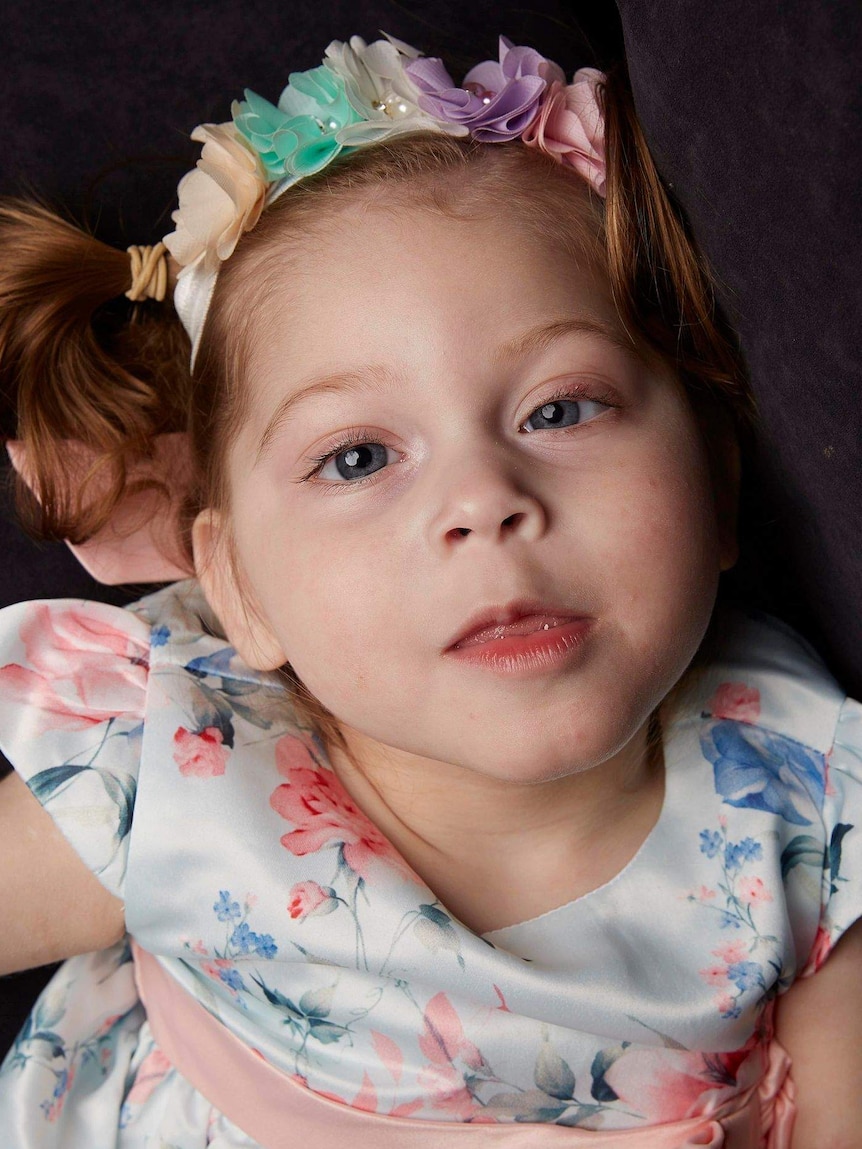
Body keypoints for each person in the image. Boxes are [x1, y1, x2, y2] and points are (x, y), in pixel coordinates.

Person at [0, 30, 858, 1149]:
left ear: (718, 480)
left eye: (560, 409)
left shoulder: (811, 801)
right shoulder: (177, 760)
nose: (482, 500)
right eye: (357, 457)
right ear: (236, 585)